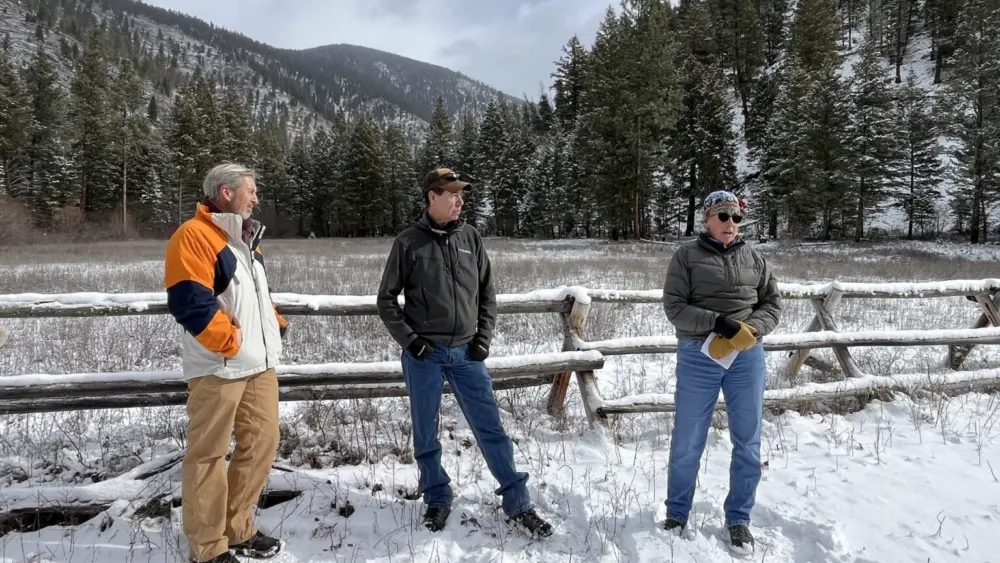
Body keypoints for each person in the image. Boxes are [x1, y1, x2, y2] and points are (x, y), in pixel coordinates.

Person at [376, 168, 553, 538]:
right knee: (426, 431)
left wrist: (483, 338)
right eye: (452, 194)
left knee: (491, 428)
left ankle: (517, 501)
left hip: (467, 353)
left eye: (462, 195)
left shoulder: (470, 237)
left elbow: (487, 293)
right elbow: (386, 300)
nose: (459, 201)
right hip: (425, 353)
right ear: (431, 197)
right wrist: (412, 342)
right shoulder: (408, 242)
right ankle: (437, 497)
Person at [164, 163, 289, 563]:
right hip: (219, 367)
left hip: (259, 364)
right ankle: (208, 547)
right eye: (250, 190)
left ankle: (237, 529)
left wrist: (275, 323)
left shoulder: (248, 240)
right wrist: (230, 341)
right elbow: (189, 301)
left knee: (263, 444)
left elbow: (253, 293)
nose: (256, 197)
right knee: (209, 455)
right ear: (225, 192)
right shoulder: (194, 236)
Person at [660, 190, 781, 556]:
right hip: (700, 354)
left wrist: (754, 329)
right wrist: (718, 323)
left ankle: (739, 518)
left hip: (746, 356)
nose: (731, 223)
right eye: (723, 216)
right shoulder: (686, 257)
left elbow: (772, 304)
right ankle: (677, 514)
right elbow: (675, 307)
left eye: (737, 217)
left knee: (748, 439)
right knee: (688, 437)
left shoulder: (756, 259)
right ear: (707, 218)